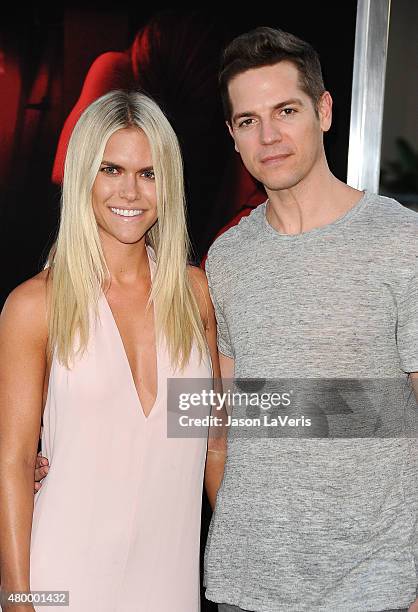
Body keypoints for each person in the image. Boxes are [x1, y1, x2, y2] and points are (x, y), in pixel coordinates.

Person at [200, 27, 418, 612]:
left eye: (286, 110)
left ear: (323, 111)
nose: (268, 136)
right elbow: (220, 429)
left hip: (376, 586)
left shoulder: (401, 242)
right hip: (247, 588)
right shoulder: (226, 260)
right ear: (232, 136)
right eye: (248, 120)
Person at [0, 89, 221, 612]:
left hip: (168, 585)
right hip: (61, 585)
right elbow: (11, 462)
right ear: (84, 176)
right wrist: (19, 598)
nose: (131, 191)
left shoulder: (197, 296)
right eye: (112, 169)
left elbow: (216, 444)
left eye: (149, 173)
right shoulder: (36, 306)